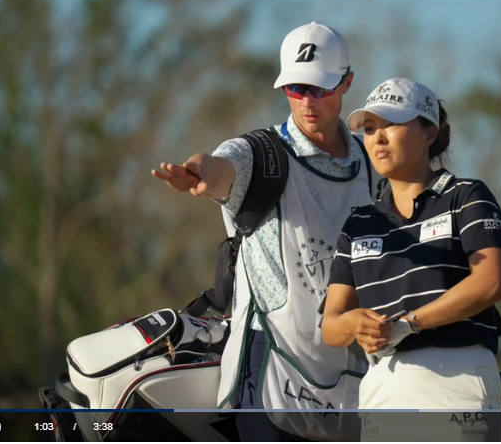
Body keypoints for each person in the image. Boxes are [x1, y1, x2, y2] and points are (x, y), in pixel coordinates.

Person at [152, 22, 381, 442]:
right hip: (269, 369)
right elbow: (220, 167)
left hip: (351, 379)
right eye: (296, 88)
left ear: (347, 82)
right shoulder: (261, 154)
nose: (307, 102)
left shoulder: (371, 162)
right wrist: (198, 173)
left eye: (320, 88)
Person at [322, 78, 501, 441]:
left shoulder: (466, 196)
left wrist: (410, 323)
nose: (377, 138)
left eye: (391, 124)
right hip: (383, 390)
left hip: (457, 383)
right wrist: (353, 324)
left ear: (429, 133)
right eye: (369, 128)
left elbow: (491, 282)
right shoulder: (359, 224)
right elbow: (331, 325)